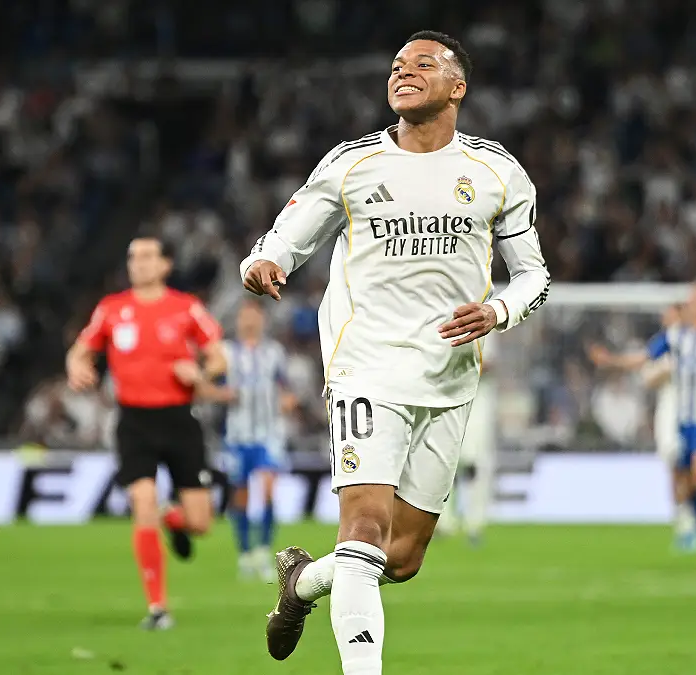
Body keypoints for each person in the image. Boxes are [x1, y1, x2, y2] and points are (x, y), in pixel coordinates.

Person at [241, 30, 550, 674]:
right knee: (363, 532)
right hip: (367, 363)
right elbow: (288, 233)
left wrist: (497, 310)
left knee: (401, 558)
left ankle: (300, 585)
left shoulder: (495, 172)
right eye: (395, 67)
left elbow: (534, 277)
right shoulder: (352, 163)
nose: (402, 74)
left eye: (421, 65)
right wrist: (264, 258)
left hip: (449, 377)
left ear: (457, 87)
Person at [66, 236, 226, 630]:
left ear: (165, 264)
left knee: (200, 523)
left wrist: (202, 374)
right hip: (134, 421)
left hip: (179, 420)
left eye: (147, 256)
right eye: (133, 256)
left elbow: (219, 356)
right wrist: (76, 367)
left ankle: (174, 521)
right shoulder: (112, 309)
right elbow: (81, 349)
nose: (138, 263)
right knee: (142, 503)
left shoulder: (186, 308)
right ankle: (158, 609)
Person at [592, 286, 696, 573]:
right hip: (682, 421)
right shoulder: (674, 337)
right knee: (688, 483)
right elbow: (644, 358)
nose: (692, 305)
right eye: (690, 301)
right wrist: (612, 361)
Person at [590, 304, 696, 551]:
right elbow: (644, 369)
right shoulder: (665, 344)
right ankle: (684, 525)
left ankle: (695, 520)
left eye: (670, 315)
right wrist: (611, 361)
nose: (666, 320)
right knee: (675, 466)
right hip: (671, 411)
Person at [219, 300, 296, 581]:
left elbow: (286, 386)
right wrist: (222, 395)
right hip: (237, 434)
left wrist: (287, 400)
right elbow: (211, 386)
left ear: (262, 320)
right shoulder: (225, 352)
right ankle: (245, 554)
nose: (250, 321)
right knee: (240, 495)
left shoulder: (274, 353)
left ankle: (264, 553)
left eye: (254, 316)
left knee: (266, 490)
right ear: (238, 321)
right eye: (245, 317)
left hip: (269, 433)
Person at [436, 333, 498, 546]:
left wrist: (456, 368)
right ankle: (443, 522)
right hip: (445, 398)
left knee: (473, 462)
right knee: (445, 461)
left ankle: (474, 523)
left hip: (477, 400)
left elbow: (488, 364)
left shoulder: (484, 317)